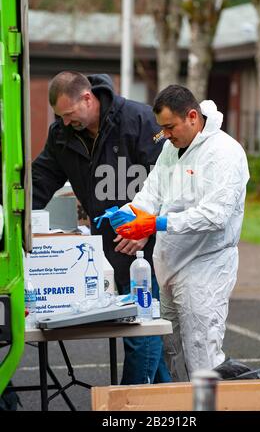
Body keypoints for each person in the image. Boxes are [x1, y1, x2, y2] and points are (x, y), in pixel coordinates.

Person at [32, 71, 171, 384]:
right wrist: (17, 218)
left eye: (69, 115)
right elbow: (40, 182)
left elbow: (169, 181)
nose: (66, 122)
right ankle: (165, 401)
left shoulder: (138, 120)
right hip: (106, 249)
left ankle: (127, 404)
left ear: (87, 98)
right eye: (60, 117)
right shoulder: (62, 135)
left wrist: (146, 228)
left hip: (146, 248)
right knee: (142, 333)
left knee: (141, 332)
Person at [110, 84, 250, 381]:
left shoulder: (225, 153)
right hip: (169, 264)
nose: (165, 134)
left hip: (206, 266)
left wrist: (157, 224)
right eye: (162, 128)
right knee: (169, 349)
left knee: (202, 352)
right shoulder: (170, 151)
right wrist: (126, 214)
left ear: (191, 116)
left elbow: (217, 216)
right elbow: (151, 195)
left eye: (170, 127)